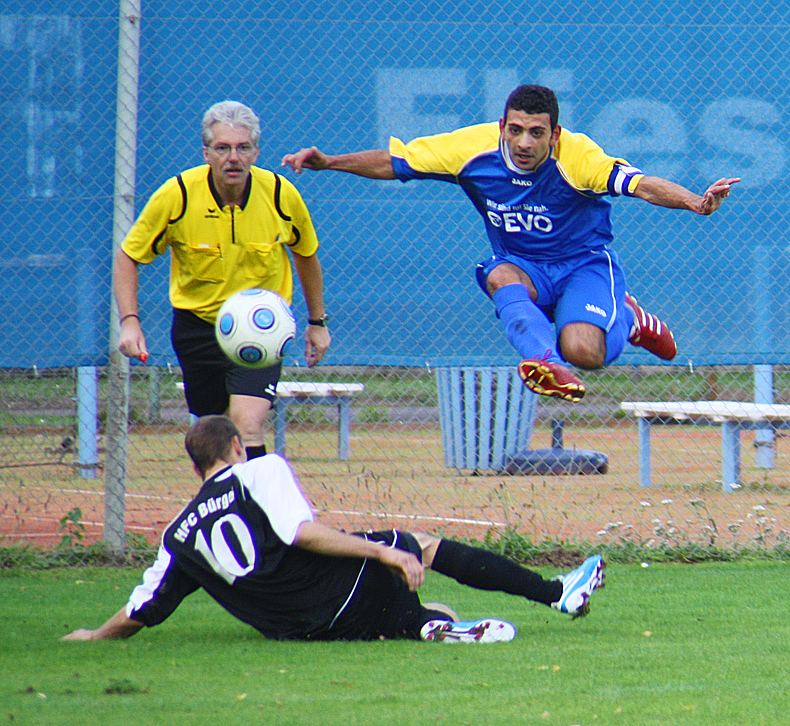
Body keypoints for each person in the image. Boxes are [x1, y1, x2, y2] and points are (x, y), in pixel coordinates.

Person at [282, 85, 739, 402]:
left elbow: (641, 185)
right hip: (525, 266)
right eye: (515, 129)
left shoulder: (578, 157)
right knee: (499, 273)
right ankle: (545, 362)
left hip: (583, 266)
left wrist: (696, 203)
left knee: (585, 352)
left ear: (554, 135)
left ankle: (630, 318)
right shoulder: (473, 148)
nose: (523, 142)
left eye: (537, 133)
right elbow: (394, 162)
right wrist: (328, 162)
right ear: (502, 125)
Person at [62, 415, 605, 645]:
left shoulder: (178, 534)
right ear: (233, 448)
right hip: (340, 588)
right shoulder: (258, 469)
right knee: (421, 548)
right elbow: (301, 533)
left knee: (431, 613)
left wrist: (94, 636)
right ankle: (557, 593)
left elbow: (145, 608)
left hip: (302, 629)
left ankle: (424, 626)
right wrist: (382, 551)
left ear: (195, 466)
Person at [115, 100, 331, 459]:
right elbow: (128, 257)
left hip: (261, 326)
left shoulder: (280, 195)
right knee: (213, 434)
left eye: (243, 148)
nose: (234, 157)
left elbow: (306, 256)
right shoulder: (178, 195)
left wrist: (317, 322)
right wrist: (130, 322)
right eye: (223, 148)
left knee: (246, 427)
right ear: (206, 153)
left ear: (256, 152)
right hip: (198, 326)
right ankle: (219, 509)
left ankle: (253, 512)